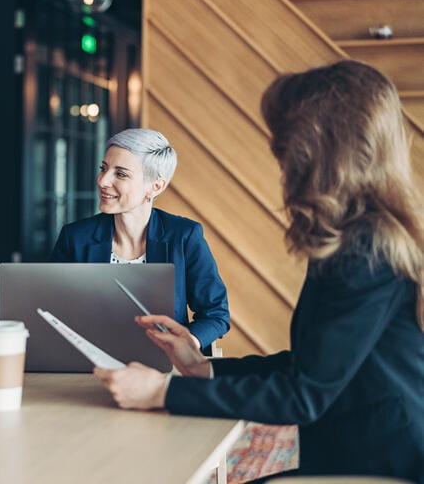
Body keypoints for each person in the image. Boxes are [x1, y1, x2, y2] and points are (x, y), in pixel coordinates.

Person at [94, 61, 424, 481]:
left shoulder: (366, 249)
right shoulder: (360, 235)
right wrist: (202, 367)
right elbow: (312, 366)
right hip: (358, 447)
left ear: (316, 152)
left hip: (386, 463)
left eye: (284, 151)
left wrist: (163, 390)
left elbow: (303, 394)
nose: (282, 167)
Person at [51, 128, 229, 350]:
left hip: (163, 364)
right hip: (89, 362)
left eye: (121, 174)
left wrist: (184, 344)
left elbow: (216, 315)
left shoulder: (184, 236)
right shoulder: (75, 237)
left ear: (155, 187)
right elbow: (53, 312)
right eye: (103, 169)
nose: (103, 181)